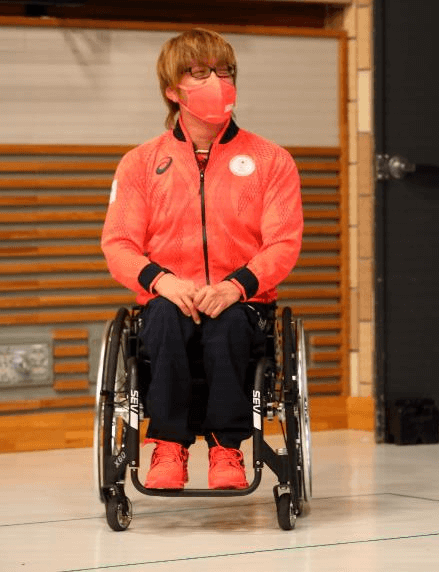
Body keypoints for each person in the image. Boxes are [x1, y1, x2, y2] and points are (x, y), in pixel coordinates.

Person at [102, 28, 303, 490]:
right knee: (164, 317)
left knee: (230, 323)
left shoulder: (271, 160)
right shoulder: (139, 163)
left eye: (224, 71)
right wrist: (164, 282)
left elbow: (283, 243)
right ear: (172, 90)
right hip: (168, 298)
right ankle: (167, 446)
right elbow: (119, 243)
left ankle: (226, 449)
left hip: (243, 301)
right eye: (199, 72)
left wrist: (235, 286)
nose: (216, 81)